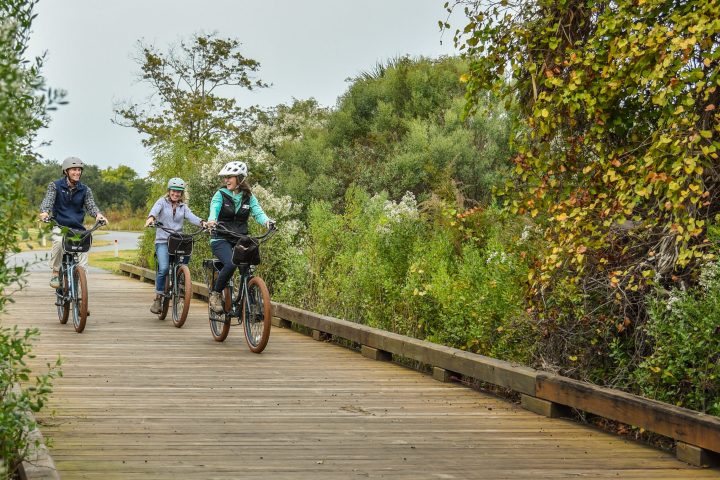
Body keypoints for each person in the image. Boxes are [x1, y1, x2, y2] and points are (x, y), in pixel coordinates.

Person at [205, 161, 273, 313]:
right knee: (230, 264)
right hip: (220, 237)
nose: (226, 180)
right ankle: (215, 294)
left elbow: (258, 212)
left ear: (240, 178)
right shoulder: (220, 194)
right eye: (225, 177)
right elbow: (214, 209)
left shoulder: (249, 197)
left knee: (247, 267)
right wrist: (212, 221)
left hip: (240, 238)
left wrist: (268, 222)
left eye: (230, 177)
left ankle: (252, 302)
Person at [39, 156, 108, 289]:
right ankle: (55, 272)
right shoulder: (55, 186)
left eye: (79, 170)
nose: (77, 173)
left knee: (84, 248)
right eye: (74, 170)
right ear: (66, 171)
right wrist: (45, 212)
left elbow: (91, 206)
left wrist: (99, 215)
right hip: (60, 226)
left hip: (77, 228)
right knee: (58, 242)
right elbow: (48, 201)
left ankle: (82, 288)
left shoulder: (85, 190)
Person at [144, 177, 206, 314]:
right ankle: (158, 297)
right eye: (174, 190)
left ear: (182, 193)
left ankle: (180, 284)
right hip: (162, 241)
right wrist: (151, 219)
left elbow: (191, 217)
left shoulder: (183, 207)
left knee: (183, 265)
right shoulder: (161, 202)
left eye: (179, 191)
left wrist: (202, 223)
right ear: (169, 190)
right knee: (164, 268)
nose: (176, 194)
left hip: (177, 241)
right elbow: (154, 211)